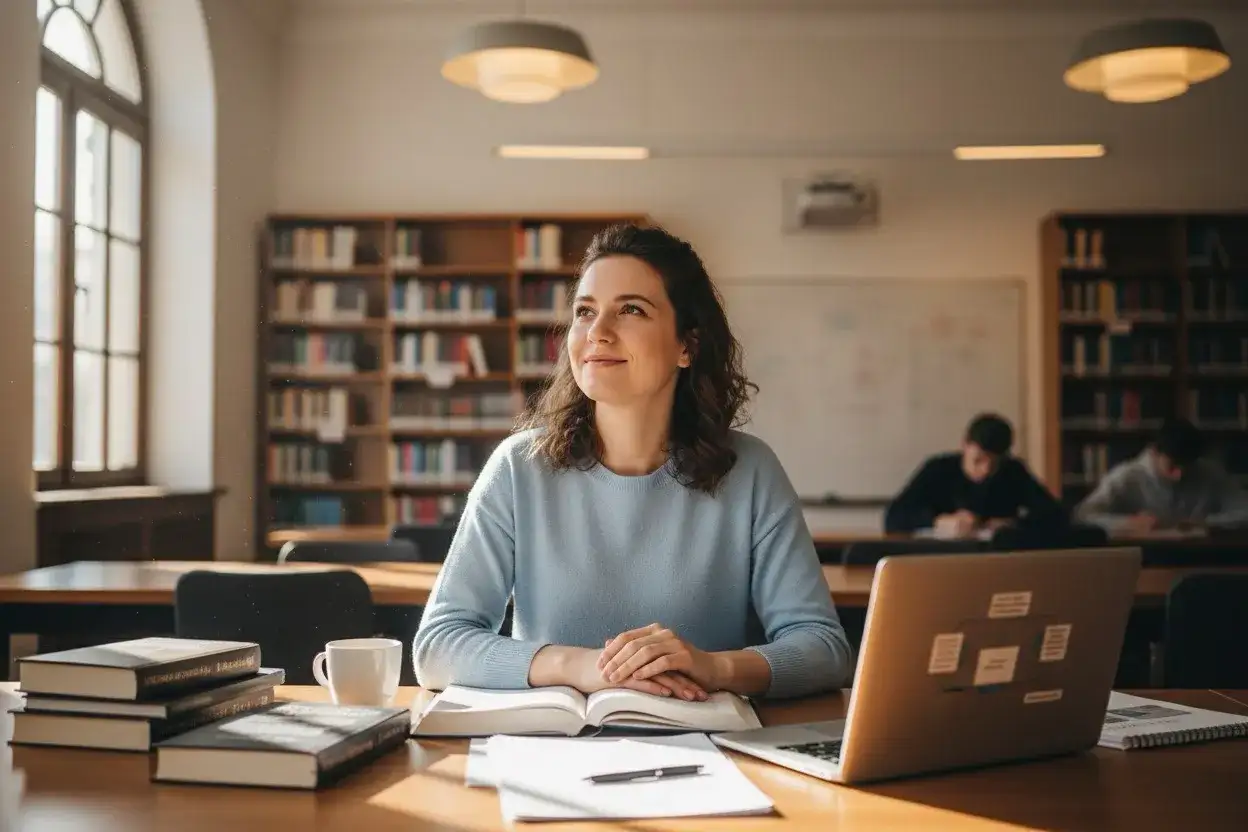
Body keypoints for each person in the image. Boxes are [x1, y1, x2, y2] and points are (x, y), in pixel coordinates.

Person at [412, 223, 853, 702]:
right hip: (548, 750)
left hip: (708, 748)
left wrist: (714, 666)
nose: (597, 333)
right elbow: (437, 647)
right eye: (585, 312)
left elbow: (824, 649)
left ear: (688, 346)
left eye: (630, 310)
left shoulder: (750, 470)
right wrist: (579, 666)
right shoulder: (519, 467)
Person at [884, 413, 1065, 536]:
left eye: (994, 464)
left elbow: (1056, 515)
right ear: (965, 445)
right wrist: (937, 521)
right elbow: (894, 517)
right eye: (978, 460)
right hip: (942, 562)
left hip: (996, 563)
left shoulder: (1013, 472)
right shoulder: (938, 469)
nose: (985, 470)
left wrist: (1014, 524)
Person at [1074, 417, 1248, 534]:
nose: (1179, 475)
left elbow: (1244, 511)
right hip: (1144, 561)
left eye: (1186, 467)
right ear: (1155, 452)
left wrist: (1205, 523)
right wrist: (1127, 523)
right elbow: (1083, 515)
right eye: (1172, 466)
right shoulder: (1127, 476)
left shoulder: (1208, 473)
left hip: (1201, 559)